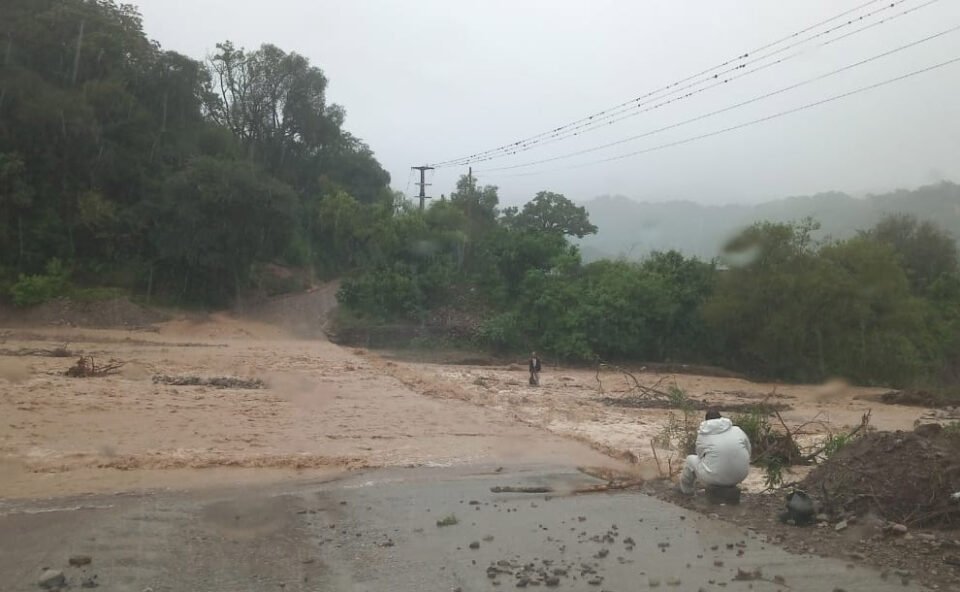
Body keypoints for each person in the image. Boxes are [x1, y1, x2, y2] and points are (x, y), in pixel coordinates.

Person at [679, 408, 751, 495]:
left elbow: (700, 456)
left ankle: (687, 491)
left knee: (690, 459)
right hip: (741, 475)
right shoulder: (737, 430)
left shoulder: (703, 435)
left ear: (706, 421)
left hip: (715, 478)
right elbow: (748, 450)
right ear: (722, 418)